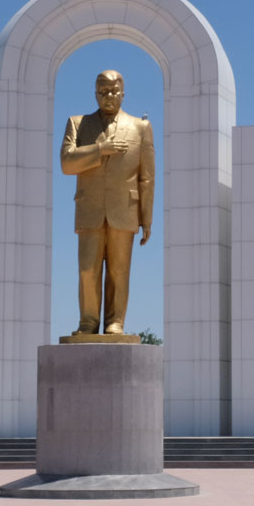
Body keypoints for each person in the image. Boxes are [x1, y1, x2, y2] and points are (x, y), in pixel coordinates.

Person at [59, 70, 154, 335]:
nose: (109, 97)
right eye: (103, 92)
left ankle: (115, 321)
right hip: (89, 209)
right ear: (95, 94)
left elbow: (146, 178)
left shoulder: (141, 127)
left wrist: (147, 217)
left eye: (114, 91)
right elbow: (67, 162)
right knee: (87, 270)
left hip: (125, 209)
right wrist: (99, 150)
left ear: (123, 93)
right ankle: (88, 321)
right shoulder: (78, 123)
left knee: (119, 272)